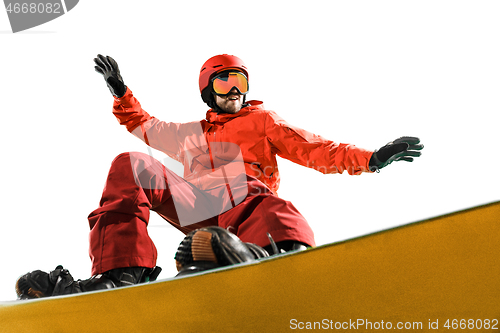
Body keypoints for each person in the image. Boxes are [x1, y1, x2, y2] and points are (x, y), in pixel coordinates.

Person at [15, 54, 423, 299]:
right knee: (130, 164)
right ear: (208, 92)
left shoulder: (262, 120)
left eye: (240, 81)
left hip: (247, 214)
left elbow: (315, 148)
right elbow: (144, 125)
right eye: (223, 82)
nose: (233, 89)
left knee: (233, 176)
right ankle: (120, 272)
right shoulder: (191, 133)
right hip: (199, 210)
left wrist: (373, 158)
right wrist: (121, 91)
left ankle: (278, 251)